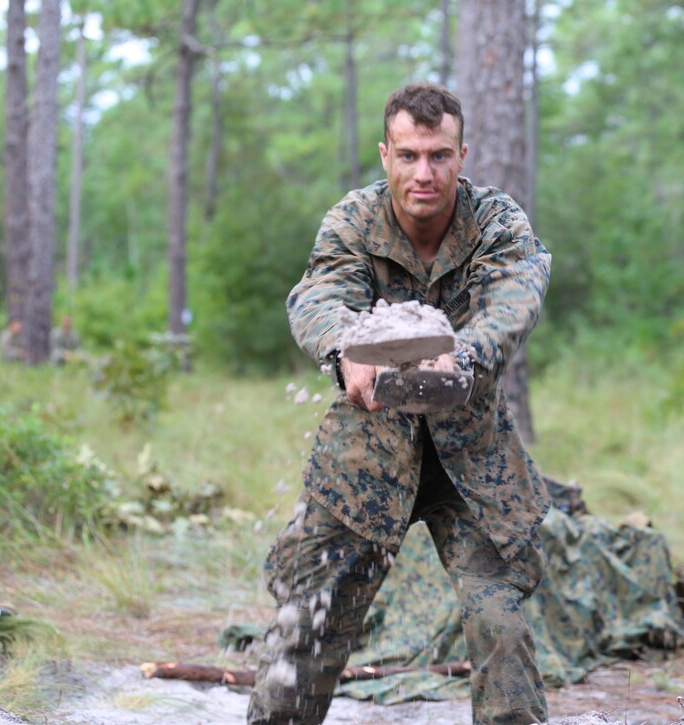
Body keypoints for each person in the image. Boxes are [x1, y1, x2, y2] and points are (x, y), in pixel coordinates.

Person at [247, 82, 551, 725]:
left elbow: (514, 300)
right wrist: (346, 349)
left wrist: (461, 354)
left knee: (499, 621)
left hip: (472, 465)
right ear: (385, 154)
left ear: (462, 154)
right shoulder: (354, 220)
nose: (424, 172)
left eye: (439, 155)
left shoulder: (497, 221)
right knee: (308, 622)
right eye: (409, 155)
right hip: (366, 455)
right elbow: (318, 297)